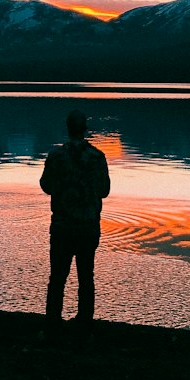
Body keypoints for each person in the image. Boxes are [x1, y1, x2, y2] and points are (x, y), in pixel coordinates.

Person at [39, 109, 110, 330]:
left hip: (62, 227)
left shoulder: (56, 156)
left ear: (68, 129)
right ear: (85, 130)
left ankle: (52, 323)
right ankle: (84, 322)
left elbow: (46, 186)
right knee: (86, 277)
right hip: (88, 227)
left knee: (57, 278)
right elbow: (105, 191)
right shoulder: (97, 157)